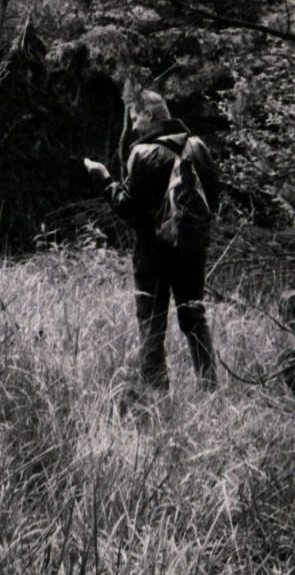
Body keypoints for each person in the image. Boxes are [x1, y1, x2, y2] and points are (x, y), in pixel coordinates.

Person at [84, 89, 219, 391]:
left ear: (148, 114)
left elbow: (126, 207)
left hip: (152, 252)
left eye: (134, 118)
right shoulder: (198, 147)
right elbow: (213, 199)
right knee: (194, 317)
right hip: (191, 249)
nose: (132, 127)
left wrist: (105, 179)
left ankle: (156, 393)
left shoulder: (141, 153)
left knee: (151, 322)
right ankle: (211, 390)